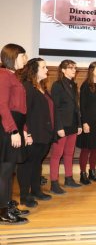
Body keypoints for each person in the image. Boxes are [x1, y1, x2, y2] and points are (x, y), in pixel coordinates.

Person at [17, 58, 54, 208]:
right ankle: (25, 196)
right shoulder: (27, 87)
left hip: (43, 133)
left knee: (36, 164)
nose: (47, 70)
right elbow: (22, 112)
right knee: (26, 165)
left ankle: (36, 191)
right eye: (44, 67)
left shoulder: (41, 87)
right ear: (34, 70)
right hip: (33, 134)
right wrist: (26, 132)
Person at [0, 43, 29, 224]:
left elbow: (21, 108)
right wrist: (13, 130)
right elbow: (2, 105)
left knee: (9, 171)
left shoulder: (12, 76)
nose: (26, 59)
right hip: (7, 129)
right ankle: (3, 212)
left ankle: (7, 204)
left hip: (15, 126)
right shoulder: (3, 76)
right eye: (23, 56)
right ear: (13, 57)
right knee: (5, 171)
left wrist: (23, 130)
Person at [49, 60, 82, 194]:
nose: (74, 70)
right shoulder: (57, 85)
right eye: (70, 68)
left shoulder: (73, 85)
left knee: (69, 153)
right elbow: (54, 108)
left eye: (75, 67)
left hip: (73, 124)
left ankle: (69, 178)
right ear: (63, 70)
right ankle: (54, 183)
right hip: (62, 125)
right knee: (57, 155)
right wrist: (58, 127)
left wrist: (79, 124)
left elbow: (76, 107)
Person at [76, 61, 96, 185]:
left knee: (95, 149)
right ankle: (83, 174)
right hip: (88, 122)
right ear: (92, 70)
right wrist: (84, 122)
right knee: (86, 149)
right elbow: (82, 106)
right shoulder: (85, 86)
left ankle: (92, 172)